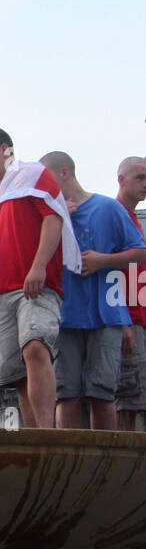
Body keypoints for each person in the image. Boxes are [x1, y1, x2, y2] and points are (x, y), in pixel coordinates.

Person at [0, 128, 80, 428]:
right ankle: (33, 437)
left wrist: (39, 266)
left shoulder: (33, 174)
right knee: (17, 373)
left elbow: (53, 217)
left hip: (34, 285)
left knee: (35, 347)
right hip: (1, 293)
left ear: (4, 149)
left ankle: (46, 432)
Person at [40, 151, 145, 429]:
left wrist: (104, 260)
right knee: (67, 393)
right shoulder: (50, 214)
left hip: (107, 314)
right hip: (64, 315)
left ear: (64, 172)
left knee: (103, 393)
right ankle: (69, 464)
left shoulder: (108, 208)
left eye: (46, 178)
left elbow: (140, 252)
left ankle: (105, 466)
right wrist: (58, 219)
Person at [114, 157, 146, 429]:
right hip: (129, 318)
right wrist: (122, 319)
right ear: (121, 179)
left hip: (138, 318)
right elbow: (109, 274)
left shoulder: (132, 218)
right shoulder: (114, 215)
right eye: (140, 177)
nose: (145, 184)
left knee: (135, 396)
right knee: (127, 398)